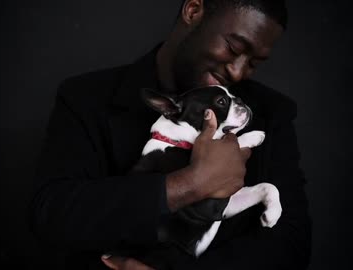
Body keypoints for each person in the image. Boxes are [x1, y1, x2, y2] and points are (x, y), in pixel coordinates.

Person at [30, 0, 311, 269]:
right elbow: (52, 214)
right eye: (233, 47)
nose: (238, 73)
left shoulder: (272, 113)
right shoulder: (86, 98)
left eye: (254, 63)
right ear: (193, 10)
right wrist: (190, 183)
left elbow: (291, 242)